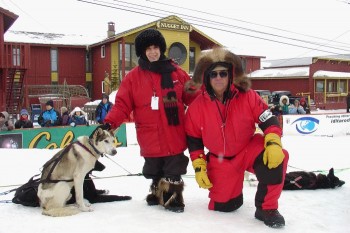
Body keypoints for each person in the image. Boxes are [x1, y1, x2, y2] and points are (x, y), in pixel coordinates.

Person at [185, 47, 289, 228]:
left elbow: (268, 119)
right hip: (220, 160)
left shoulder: (248, 96)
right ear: (207, 77)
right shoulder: (196, 107)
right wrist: (199, 166)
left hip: (247, 148)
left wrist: (273, 142)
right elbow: (194, 140)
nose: (218, 78)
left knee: (277, 158)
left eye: (223, 73)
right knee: (224, 206)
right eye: (213, 74)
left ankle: (267, 208)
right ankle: (232, 192)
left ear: (230, 75)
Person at [102, 28, 199, 213]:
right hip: (149, 134)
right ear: (142, 52)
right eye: (148, 48)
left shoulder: (177, 74)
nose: (153, 52)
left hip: (174, 132)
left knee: (174, 165)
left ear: (161, 49)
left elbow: (195, 98)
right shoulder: (132, 78)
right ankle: (157, 190)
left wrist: (214, 98)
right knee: (153, 168)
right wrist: (109, 123)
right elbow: (122, 105)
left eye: (156, 47)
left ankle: (173, 197)